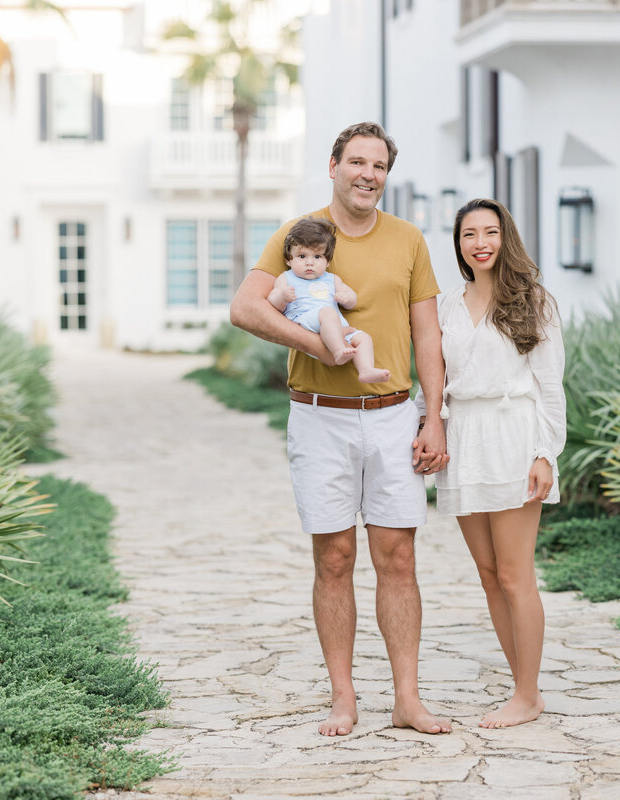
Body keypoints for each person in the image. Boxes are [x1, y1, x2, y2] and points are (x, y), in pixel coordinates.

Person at [229, 122, 451, 737]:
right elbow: (245, 307)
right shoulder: (300, 235)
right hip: (319, 415)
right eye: (357, 162)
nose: (368, 175)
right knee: (333, 557)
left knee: (398, 556)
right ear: (333, 166)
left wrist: (435, 416)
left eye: (379, 166)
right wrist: (317, 347)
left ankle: (407, 698)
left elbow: (429, 334)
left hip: (392, 418)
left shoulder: (408, 240)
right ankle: (344, 698)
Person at [435, 197, 566, 729]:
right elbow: (435, 381)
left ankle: (527, 693)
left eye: (490, 232)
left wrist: (544, 452)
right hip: (466, 439)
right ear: (459, 244)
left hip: (514, 436)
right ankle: (523, 688)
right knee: (489, 575)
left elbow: (550, 386)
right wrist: (431, 428)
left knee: (516, 576)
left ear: (504, 237)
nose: (480, 242)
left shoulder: (533, 301)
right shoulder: (445, 305)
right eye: (470, 234)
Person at [268, 216, 390, 384]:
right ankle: (338, 350)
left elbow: (352, 297)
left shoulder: (331, 279)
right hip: (305, 321)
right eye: (302, 256)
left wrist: (346, 298)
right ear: (289, 259)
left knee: (363, 338)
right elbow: (272, 300)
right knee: (327, 312)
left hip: (335, 325)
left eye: (317, 257)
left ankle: (365, 370)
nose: (309, 263)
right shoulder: (287, 278)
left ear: (327, 261)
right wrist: (282, 297)